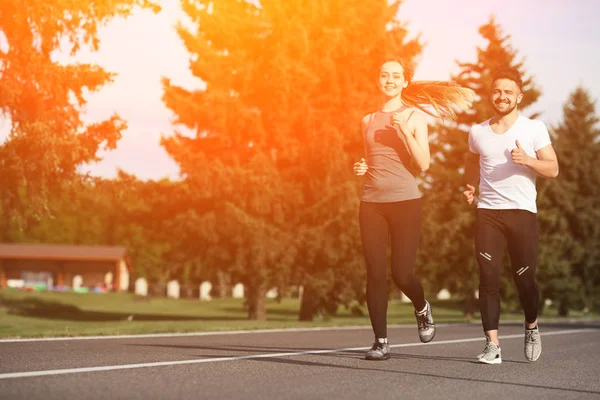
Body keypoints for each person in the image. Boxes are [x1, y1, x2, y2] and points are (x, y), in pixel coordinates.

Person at [354, 59, 474, 360]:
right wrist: (361, 166)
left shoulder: (414, 117)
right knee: (375, 273)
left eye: (396, 76)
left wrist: (405, 133)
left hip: (406, 202)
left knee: (402, 272)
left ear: (405, 82)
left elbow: (423, 164)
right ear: (378, 80)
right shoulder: (367, 120)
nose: (390, 80)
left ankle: (421, 307)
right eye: (385, 75)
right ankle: (380, 341)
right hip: (371, 203)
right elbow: (373, 159)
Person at [463, 67, 559, 364]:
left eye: (508, 92)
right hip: (488, 214)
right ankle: (493, 345)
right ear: (491, 94)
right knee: (488, 280)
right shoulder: (477, 132)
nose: (501, 96)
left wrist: (528, 160)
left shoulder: (533, 129)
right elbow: (471, 161)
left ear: (519, 96)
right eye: (496, 91)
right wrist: (469, 186)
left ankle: (531, 326)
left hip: (522, 214)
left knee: (525, 280)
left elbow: (553, 169)